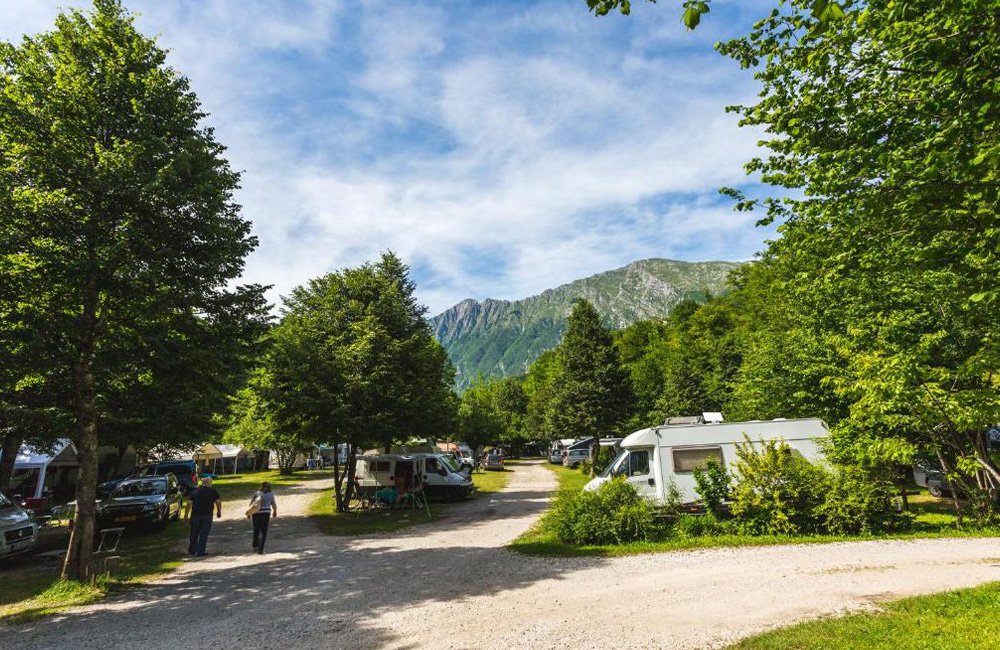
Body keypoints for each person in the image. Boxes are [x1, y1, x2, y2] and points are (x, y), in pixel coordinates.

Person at [184, 476, 221, 557]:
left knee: (194, 533)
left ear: (203, 483)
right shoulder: (213, 491)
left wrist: (186, 515)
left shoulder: (195, 491)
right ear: (210, 483)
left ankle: (192, 550)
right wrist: (219, 511)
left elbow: (189, 503)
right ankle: (200, 552)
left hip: (195, 515)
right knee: (204, 534)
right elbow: (218, 502)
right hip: (207, 515)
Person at [249, 481, 277, 554]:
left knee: (256, 530)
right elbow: (273, 504)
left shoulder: (257, 493)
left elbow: (251, 504)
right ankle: (261, 549)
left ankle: (255, 546)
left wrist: (249, 513)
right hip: (265, 513)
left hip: (256, 513)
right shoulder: (271, 494)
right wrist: (275, 512)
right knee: (263, 531)